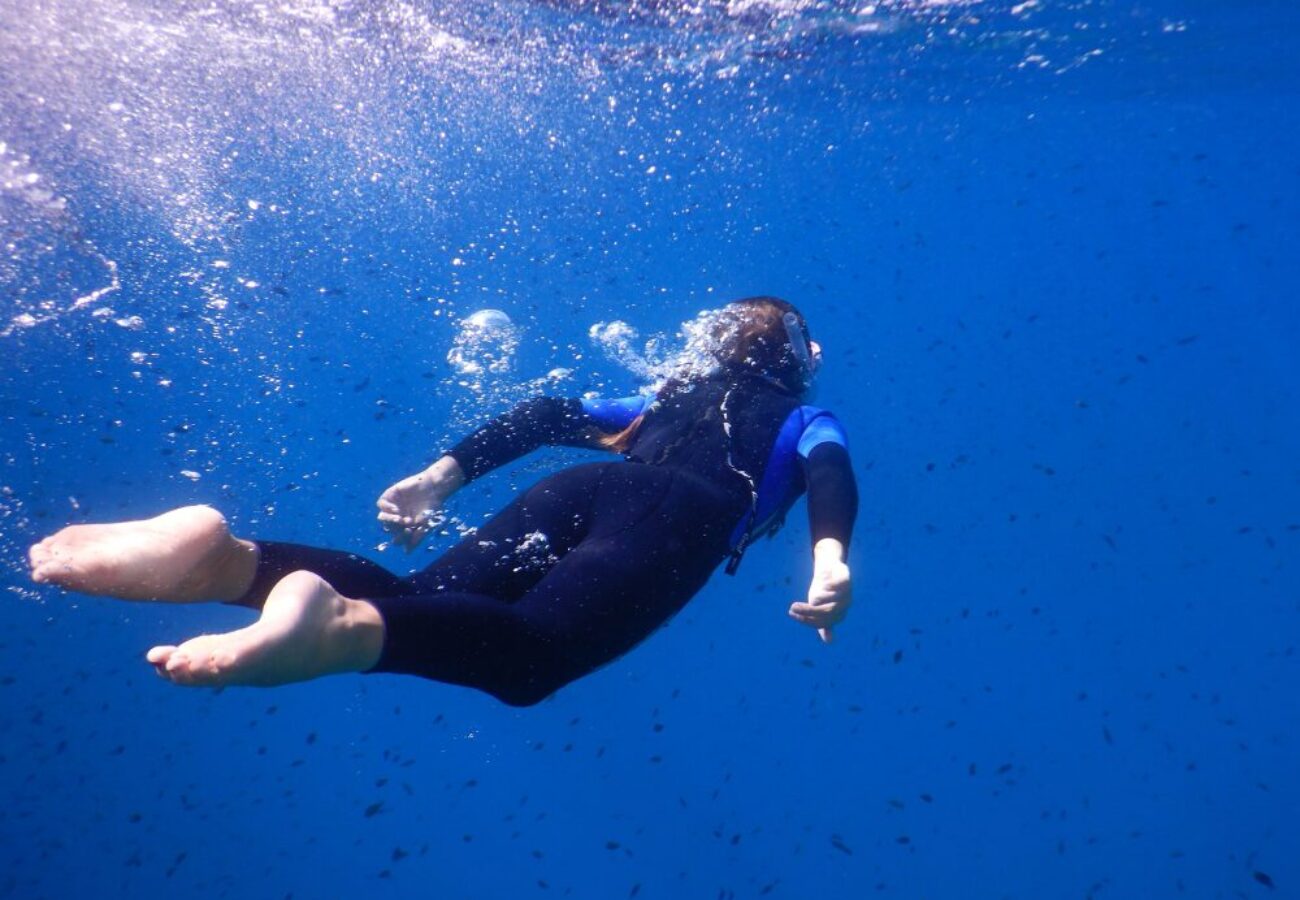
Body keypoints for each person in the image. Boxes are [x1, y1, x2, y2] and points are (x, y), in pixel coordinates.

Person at [27, 297, 858, 706]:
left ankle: (229, 563)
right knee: (532, 660)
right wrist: (830, 558)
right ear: (795, 359)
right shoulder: (805, 415)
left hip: (580, 486)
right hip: (680, 516)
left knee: (418, 604)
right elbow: (829, 476)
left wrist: (439, 476)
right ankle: (330, 635)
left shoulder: (657, 401)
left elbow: (544, 415)